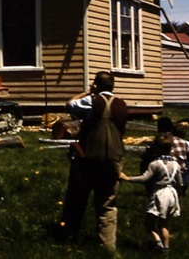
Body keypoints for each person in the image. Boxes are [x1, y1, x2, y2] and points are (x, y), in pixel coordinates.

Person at [57, 71, 128, 253]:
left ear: (96, 85)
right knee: (108, 202)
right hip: (114, 158)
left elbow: (69, 105)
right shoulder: (122, 105)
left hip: (90, 157)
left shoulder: (92, 101)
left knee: (77, 198)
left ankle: (68, 236)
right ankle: (107, 246)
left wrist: (87, 92)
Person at [120, 132, 182, 253]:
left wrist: (127, 178)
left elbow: (144, 178)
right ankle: (166, 248)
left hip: (159, 194)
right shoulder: (176, 165)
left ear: (156, 148)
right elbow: (180, 183)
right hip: (172, 193)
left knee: (149, 223)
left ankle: (158, 243)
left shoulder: (155, 164)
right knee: (163, 224)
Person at [171, 123, 189, 196]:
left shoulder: (167, 141)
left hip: (168, 169)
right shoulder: (185, 143)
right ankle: (183, 190)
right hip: (181, 170)